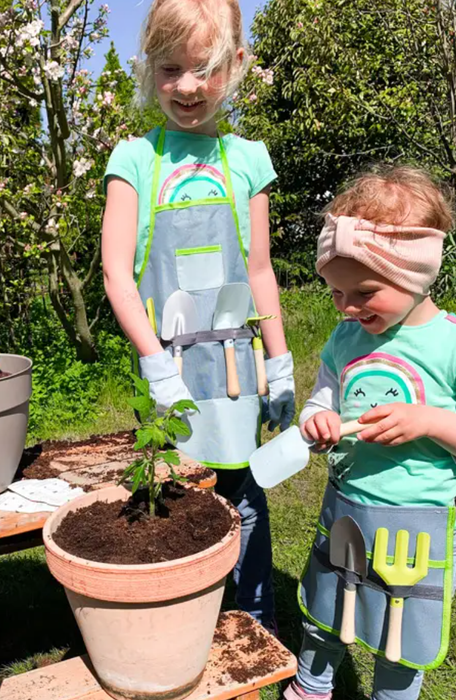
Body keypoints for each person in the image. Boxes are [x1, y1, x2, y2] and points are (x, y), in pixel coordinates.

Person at [101, 0, 294, 631]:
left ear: (236, 65)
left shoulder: (249, 159)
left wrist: (281, 360)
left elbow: (259, 271)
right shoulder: (134, 159)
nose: (188, 86)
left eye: (206, 68)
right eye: (171, 69)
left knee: (242, 495)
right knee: (176, 498)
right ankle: (181, 620)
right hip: (170, 369)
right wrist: (156, 366)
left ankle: (254, 619)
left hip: (237, 369)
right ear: (148, 68)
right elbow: (116, 274)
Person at [284, 166, 456, 700]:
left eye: (363, 291)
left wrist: (428, 422)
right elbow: (325, 395)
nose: (348, 307)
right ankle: (313, 683)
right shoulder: (344, 339)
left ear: (415, 276)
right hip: (347, 503)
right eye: (335, 293)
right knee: (328, 607)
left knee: (402, 631)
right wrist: (318, 418)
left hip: (415, 517)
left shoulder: (448, 346)